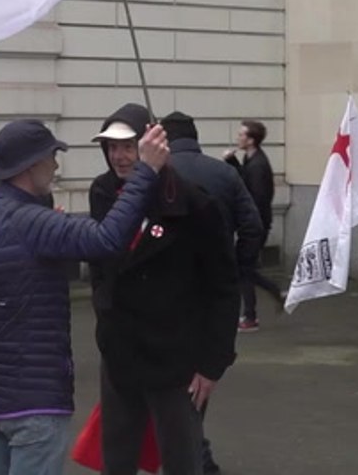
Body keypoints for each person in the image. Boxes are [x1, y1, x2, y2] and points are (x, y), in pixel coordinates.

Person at [0, 119, 169, 475]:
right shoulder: (32, 221)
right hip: (36, 404)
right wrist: (146, 170)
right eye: (52, 156)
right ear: (31, 165)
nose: (56, 165)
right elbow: (106, 239)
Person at [89, 105, 237, 475]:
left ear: (151, 144)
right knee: (117, 459)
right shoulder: (103, 191)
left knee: (181, 460)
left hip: (177, 360)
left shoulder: (193, 201)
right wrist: (105, 318)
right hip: (121, 354)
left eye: (128, 146)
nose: (119, 157)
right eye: (111, 147)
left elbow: (223, 286)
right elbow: (101, 266)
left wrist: (211, 364)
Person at [160, 112, 259, 475]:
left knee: (174, 384)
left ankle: (193, 455)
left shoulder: (158, 173)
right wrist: (238, 267)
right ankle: (196, 452)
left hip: (166, 296)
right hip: (214, 294)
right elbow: (252, 226)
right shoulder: (225, 173)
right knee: (199, 378)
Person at [223, 119, 284, 331]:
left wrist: (248, 224)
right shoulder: (252, 160)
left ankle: (250, 317)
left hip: (255, 226)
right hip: (253, 225)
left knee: (244, 270)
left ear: (251, 140)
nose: (238, 137)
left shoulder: (258, 165)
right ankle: (272, 292)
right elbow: (244, 182)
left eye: (242, 135)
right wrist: (233, 162)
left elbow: (254, 196)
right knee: (245, 269)